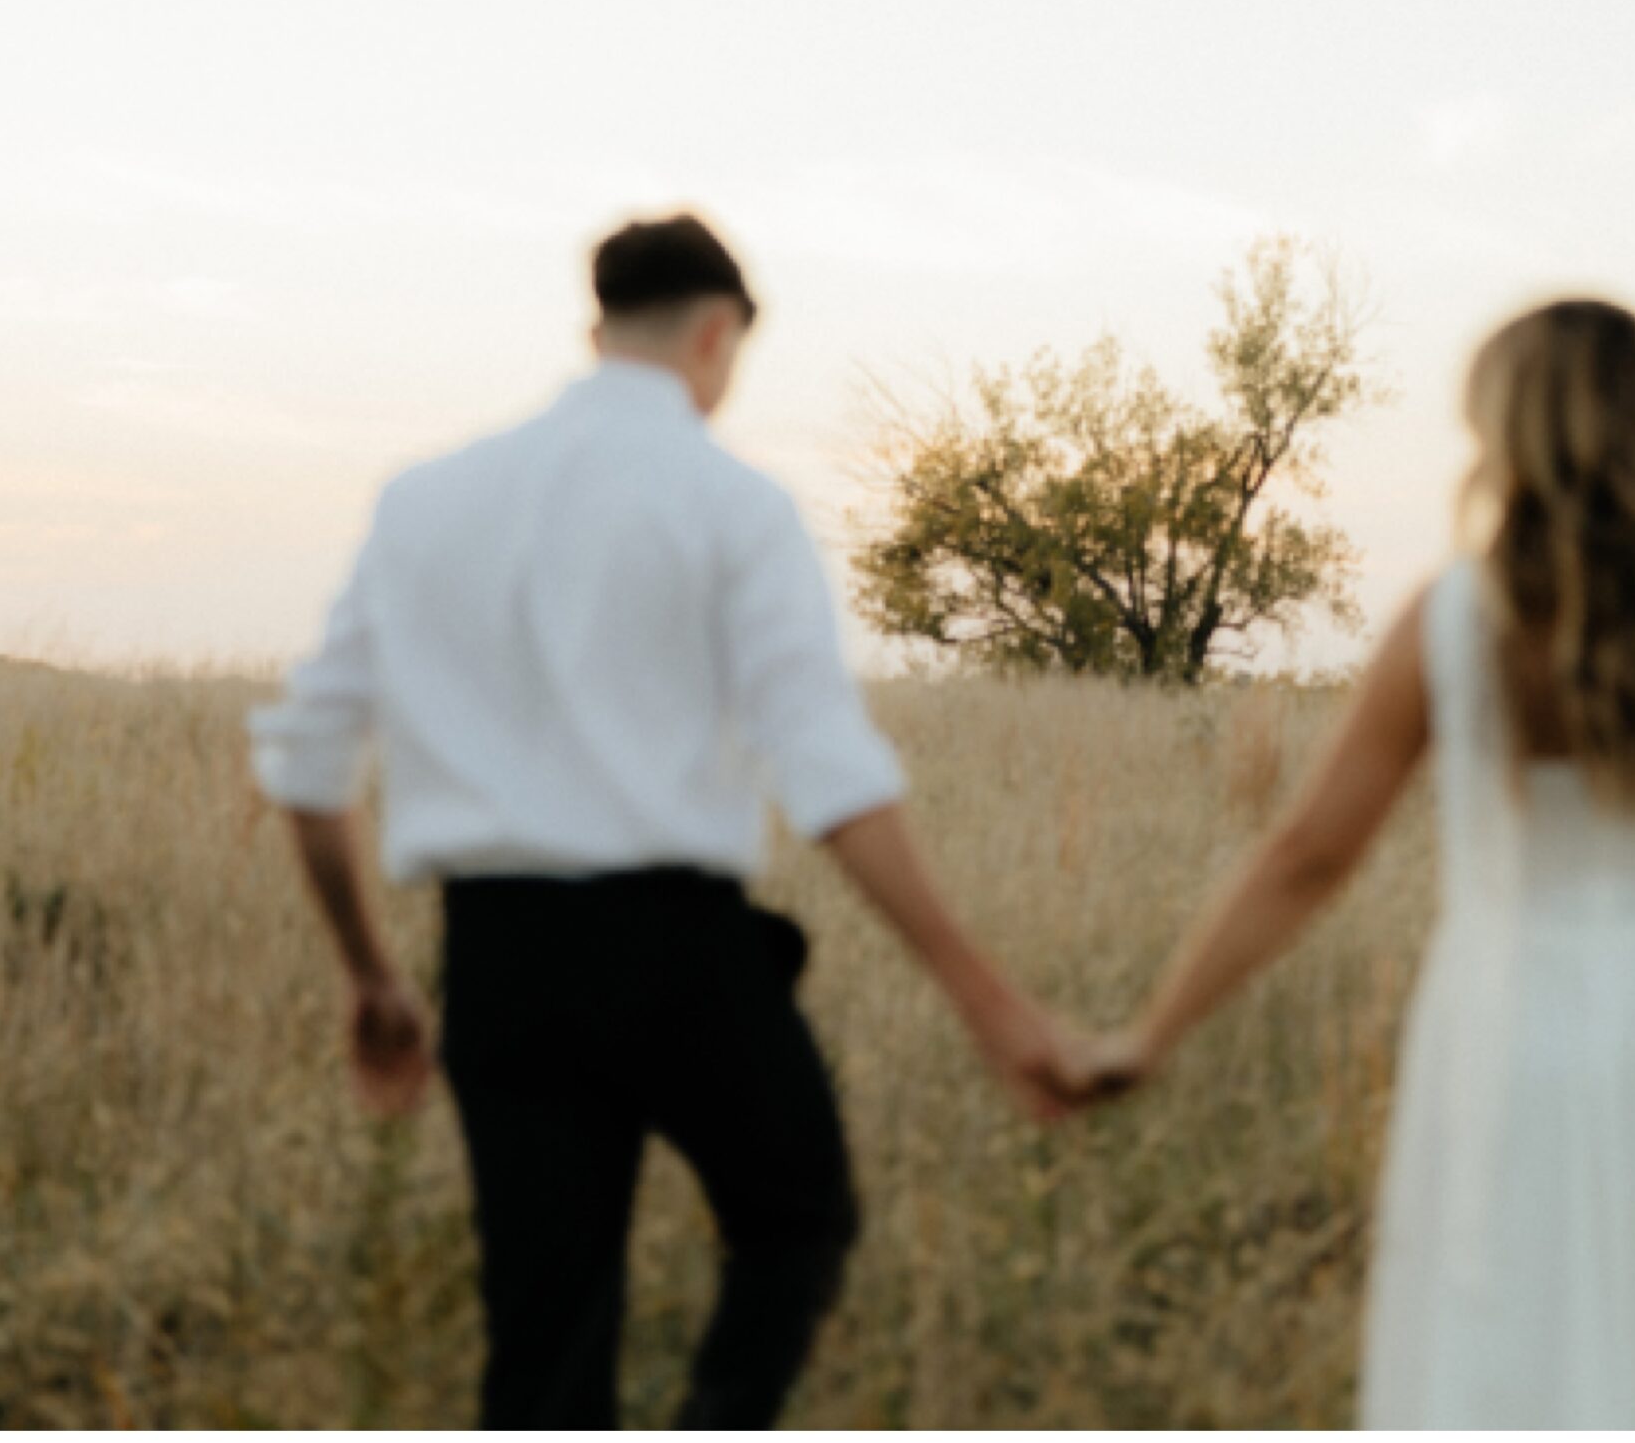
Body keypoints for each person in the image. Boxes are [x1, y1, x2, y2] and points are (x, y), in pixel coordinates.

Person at [248, 211, 1079, 1430]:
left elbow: (311, 773)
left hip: (500, 961)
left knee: (544, 1336)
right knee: (796, 1216)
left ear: (597, 330)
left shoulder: (422, 500)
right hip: (680, 953)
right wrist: (983, 993)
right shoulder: (733, 503)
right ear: (714, 332)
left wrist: (372, 976)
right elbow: (832, 776)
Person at [1069, 298, 1635, 1426]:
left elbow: (1305, 857)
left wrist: (1149, 1034)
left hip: (1511, 1041)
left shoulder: (1453, 620)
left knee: (1510, 1365)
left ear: (1503, 434)